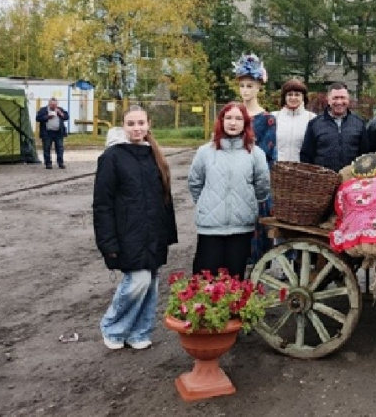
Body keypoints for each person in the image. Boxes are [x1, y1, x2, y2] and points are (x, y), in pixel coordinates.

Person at [93, 106, 178, 350]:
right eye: (131, 124)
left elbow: (165, 198)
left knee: (150, 283)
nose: (137, 128)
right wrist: (107, 242)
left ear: (148, 124)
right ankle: (113, 327)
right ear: (123, 126)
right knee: (137, 281)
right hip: (128, 233)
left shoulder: (154, 155)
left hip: (154, 232)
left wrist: (167, 234)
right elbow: (102, 203)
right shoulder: (112, 157)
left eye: (141, 123)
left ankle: (140, 332)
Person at [188, 102, 271, 279]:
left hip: (241, 228)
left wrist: (247, 203)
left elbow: (262, 185)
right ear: (221, 121)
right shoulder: (205, 152)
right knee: (205, 278)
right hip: (210, 229)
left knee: (235, 278)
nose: (233, 123)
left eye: (238, 118)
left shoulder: (255, 153)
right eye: (229, 118)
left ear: (246, 123)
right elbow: (195, 183)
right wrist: (207, 203)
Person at [232, 54, 275, 264]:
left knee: (256, 237)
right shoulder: (232, 116)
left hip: (254, 185)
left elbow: (268, 157)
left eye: (250, 86)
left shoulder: (267, 119)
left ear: (259, 87)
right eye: (242, 86)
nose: (245, 91)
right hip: (231, 182)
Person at [300, 82, 370, 172]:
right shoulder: (315, 124)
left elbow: (365, 156)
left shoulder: (359, 123)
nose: (339, 102)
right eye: (335, 98)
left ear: (348, 100)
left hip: (351, 180)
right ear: (328, 100)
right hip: (323, 180)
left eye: (342, 98)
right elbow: (306, 156)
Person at [273, 79, 316, 162]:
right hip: (277, 169)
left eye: (297, 95)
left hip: (302, 170)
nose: (293, 97)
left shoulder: (312, 118)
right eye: (290, 94)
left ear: (303, 97)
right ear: (284, 97)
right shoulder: (273, 117)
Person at [36, 98, 69, 169]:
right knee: (47, 148)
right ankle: (48, 163)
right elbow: (38, 118)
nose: (54, 106)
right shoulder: (43, 110)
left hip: (58, 132)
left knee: (60, 148)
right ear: (49, 104)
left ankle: (60, 163)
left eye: (55, 104)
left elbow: (66, 117)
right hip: (47, 132)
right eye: (52, 105)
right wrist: (47, 117)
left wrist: (61, 113)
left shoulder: (60, 109)